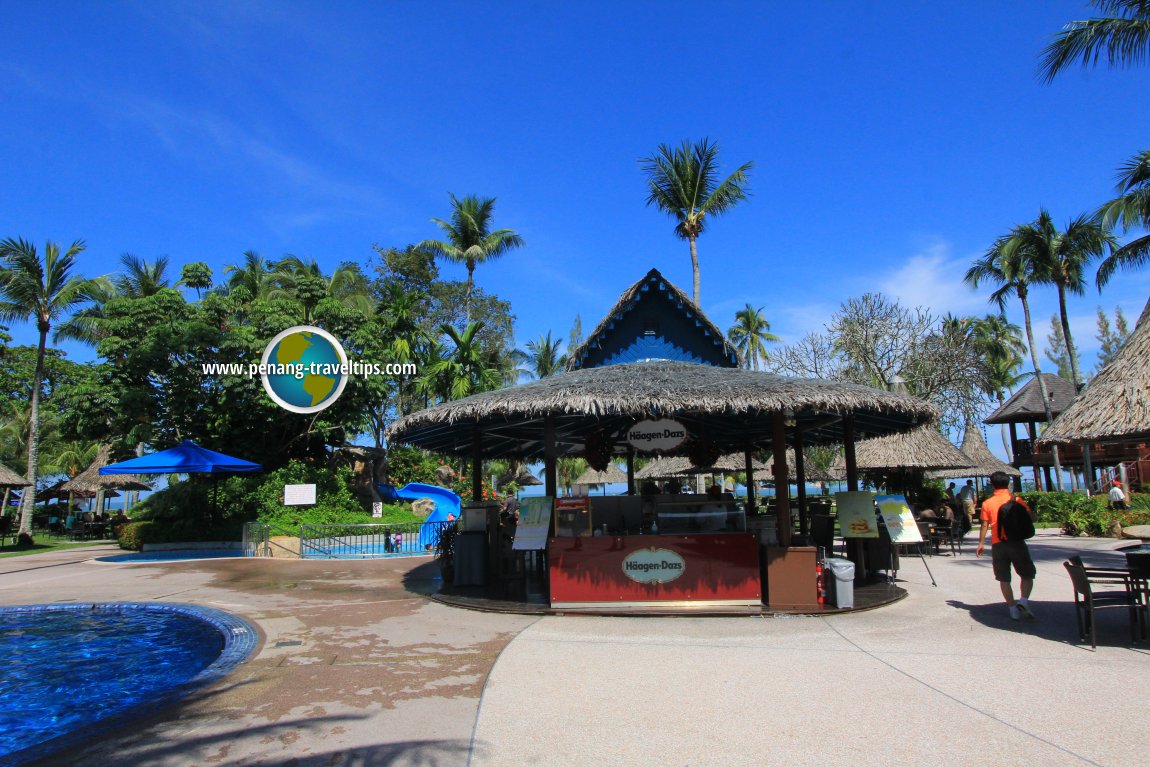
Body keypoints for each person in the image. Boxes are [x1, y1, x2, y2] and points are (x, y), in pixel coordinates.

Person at [976, 471, 1037, 621]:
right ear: (1008, 483)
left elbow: (984, 524)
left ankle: (1012, 609)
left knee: (1004, 578)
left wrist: (981, 543)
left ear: (992, 484)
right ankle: (1023, 601)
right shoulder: (1016, 499)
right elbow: (1031, 517)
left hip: (998, 544)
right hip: (1016, 542)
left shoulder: (987, 503)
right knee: (1027, 574)